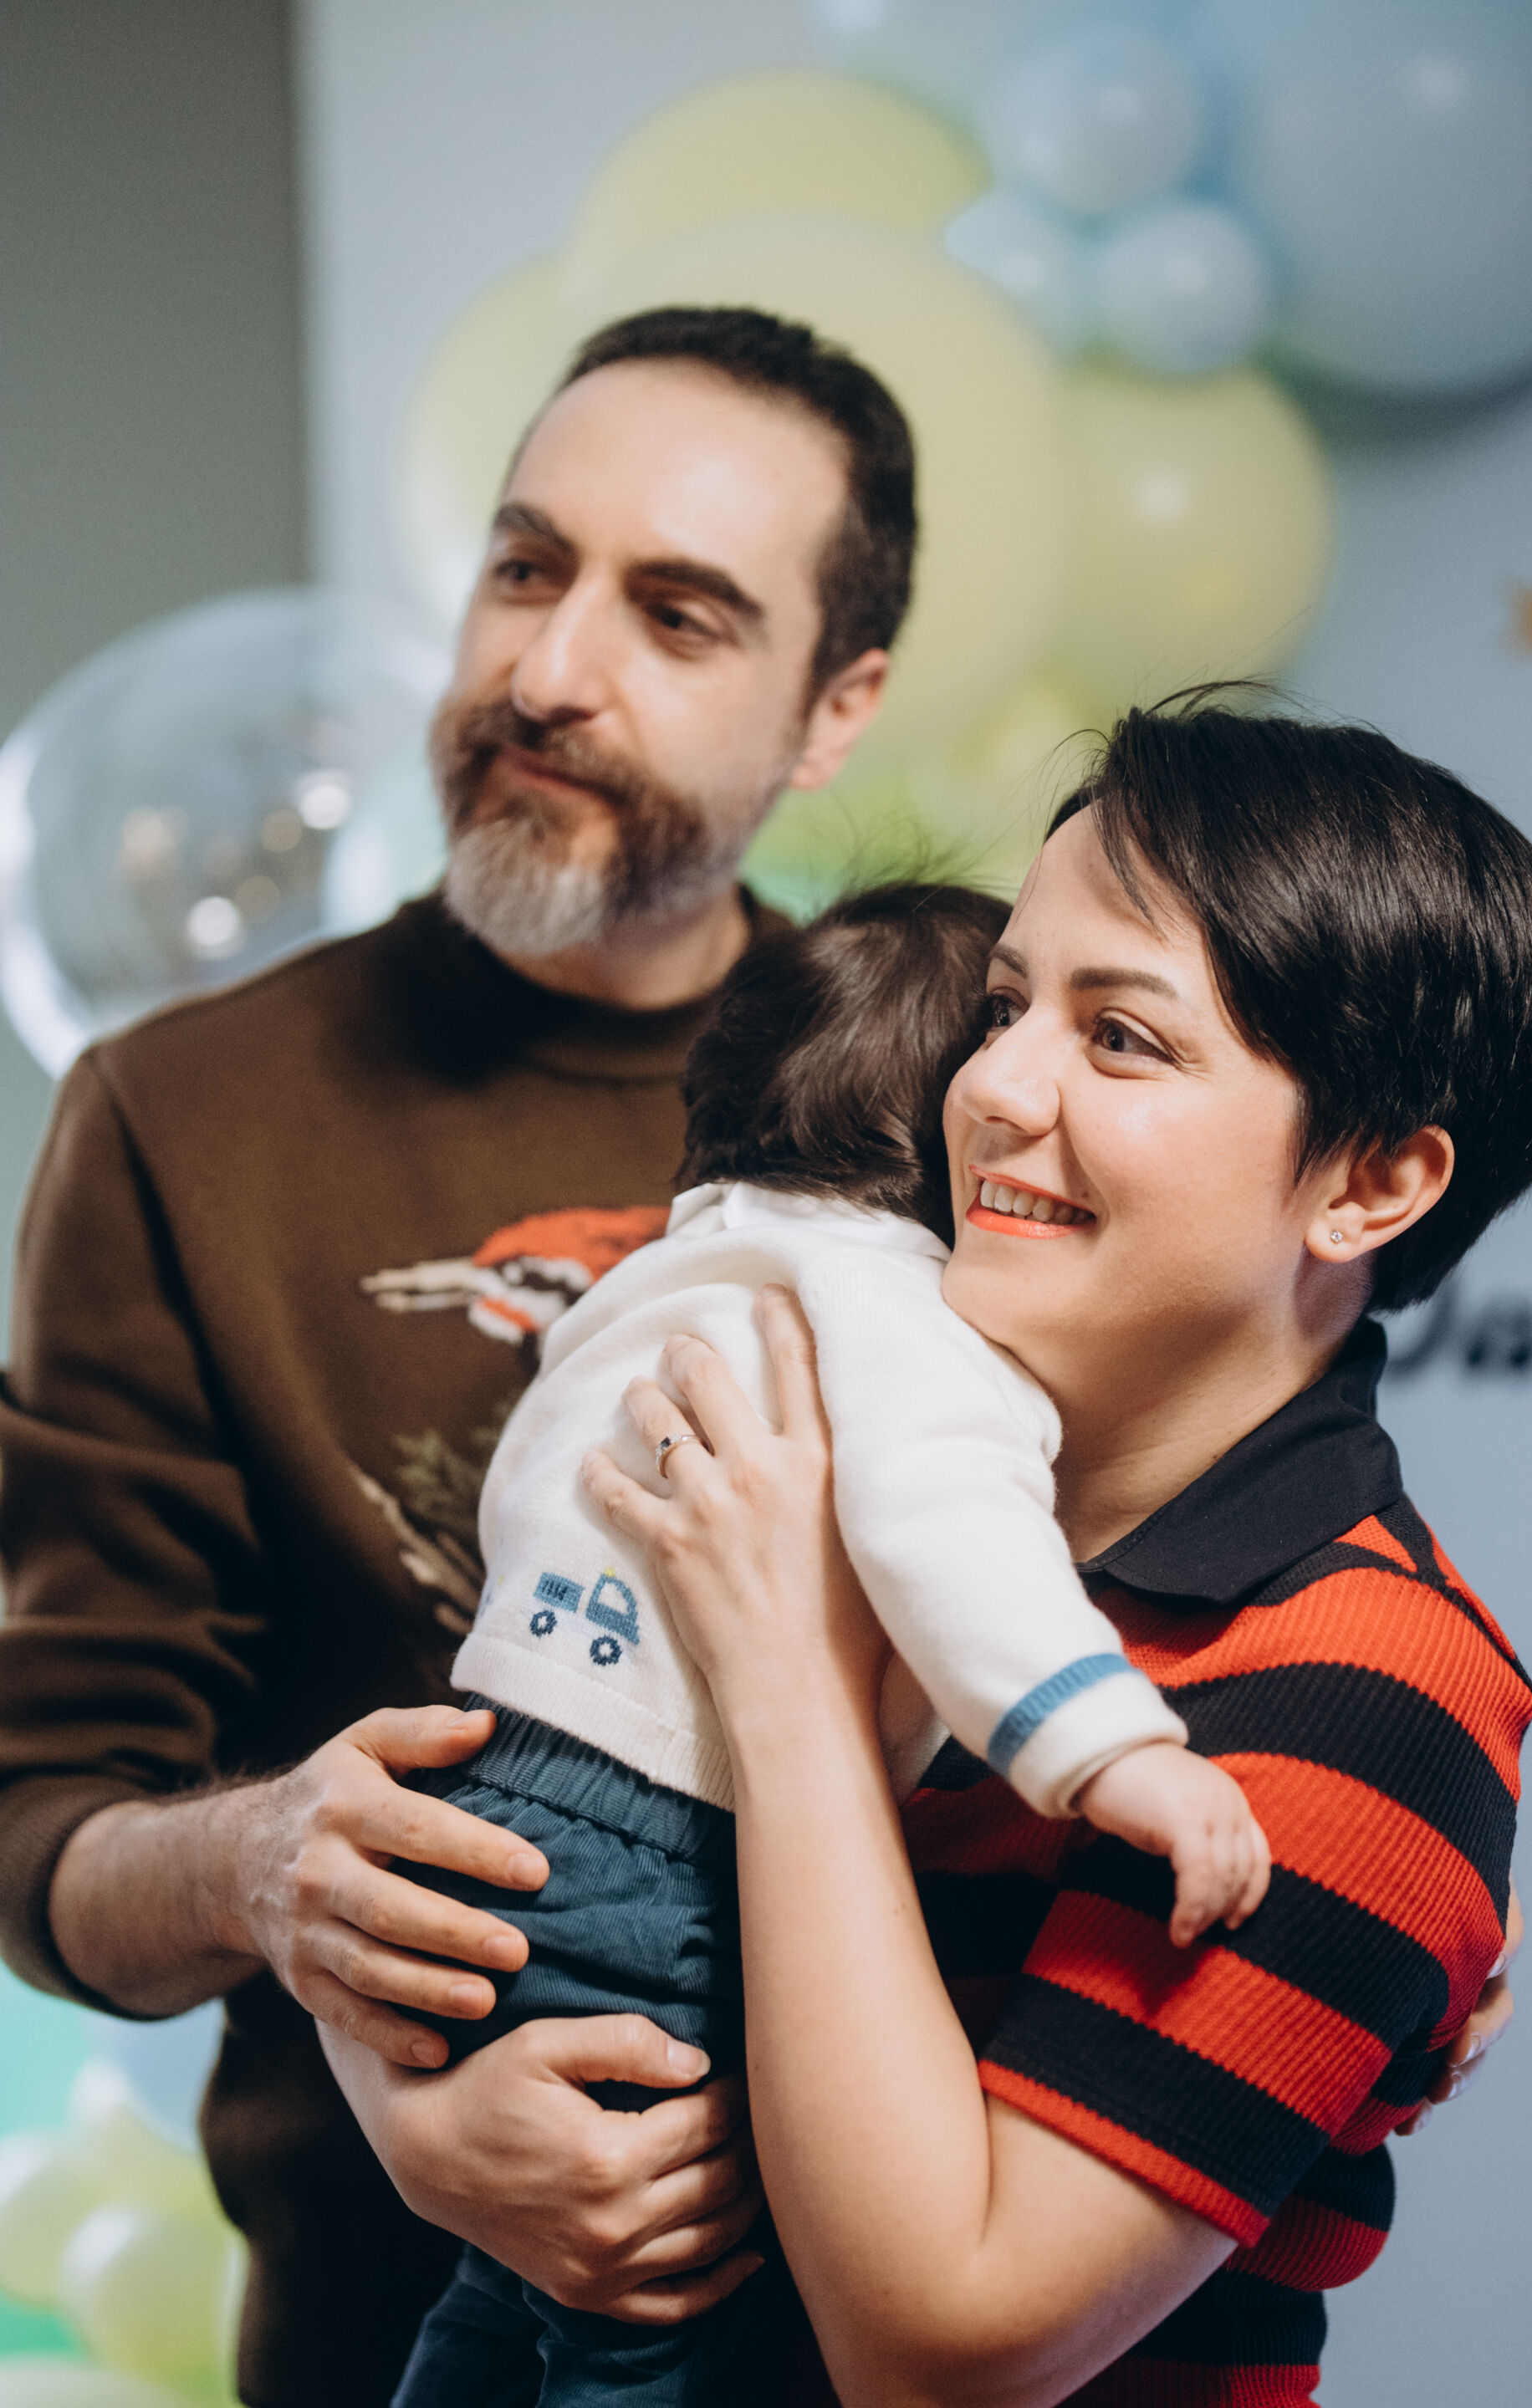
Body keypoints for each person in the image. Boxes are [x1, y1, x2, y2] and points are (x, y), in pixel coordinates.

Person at [0, 304, 913, 2408]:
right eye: (525, 567)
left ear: (833, 707)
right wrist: (259, 1871)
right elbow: (44, 1828)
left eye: (677, 614)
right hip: (370, 2337)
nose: (551, 670)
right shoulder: (176, 1117)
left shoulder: (953, 1101)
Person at [576, 700, 1532, 2405]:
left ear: (1371, 1183)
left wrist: (794, 1681)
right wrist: (433, 2115)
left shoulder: (1369, 1690)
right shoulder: (859, 1463)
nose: (989, 1088)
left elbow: (943, 2350)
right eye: (1003, 1007)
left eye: (1120, 1037)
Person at [391, 882, 1267, 2407]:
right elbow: (953, 1541)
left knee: (518, 2283)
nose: (1019, 1089)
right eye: (1001, 1026)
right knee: (655, 2324)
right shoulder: (900, 1317)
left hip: (489, 1797)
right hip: (661, 1846)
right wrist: (1111, 1749)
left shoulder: (666, 1276)